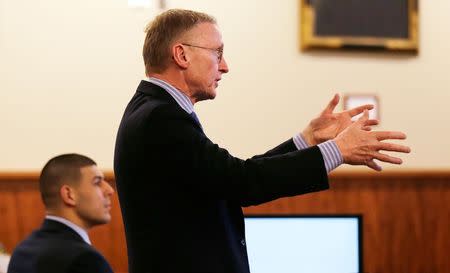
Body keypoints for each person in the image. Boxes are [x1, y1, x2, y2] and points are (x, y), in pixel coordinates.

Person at [114, 9, 410, 273]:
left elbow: (227, 178)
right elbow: (240, 182)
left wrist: (307, 140)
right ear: (181, 55)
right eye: (217, 53)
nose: (225, 65)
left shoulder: (152, 109)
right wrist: (336, 151)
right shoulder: (161, 117)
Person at [7, 154, 115, 273]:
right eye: (97, 182)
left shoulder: (22, 251)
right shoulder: (86, 260)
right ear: (69, 195)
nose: (110, 190)